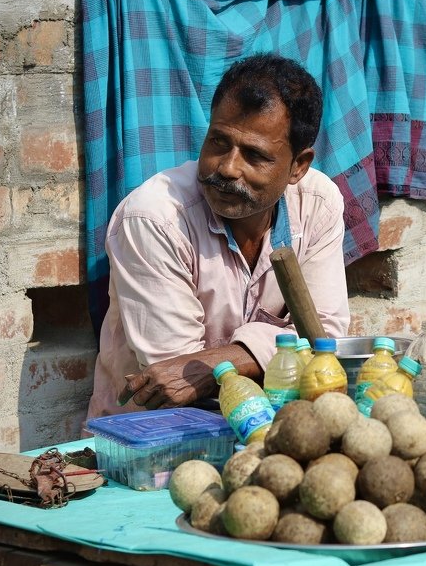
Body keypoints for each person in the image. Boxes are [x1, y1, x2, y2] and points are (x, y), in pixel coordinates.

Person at [87, 53, 350, 421]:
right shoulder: (154, 218)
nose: (227, 168)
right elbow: (175, 377)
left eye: (255, 156)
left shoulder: (318, 204)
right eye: (218, 142)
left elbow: (326, 334)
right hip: (151, 442)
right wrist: (279, 349)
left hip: (271, 430)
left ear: (298, 166)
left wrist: (220, 362)